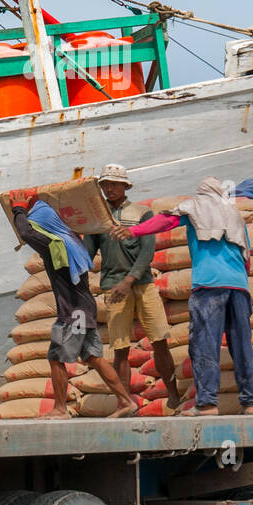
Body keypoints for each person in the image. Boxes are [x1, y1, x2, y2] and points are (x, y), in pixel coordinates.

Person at [117, 177, 253, 416]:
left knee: (205, 345)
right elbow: (248, 256)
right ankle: (252, 402)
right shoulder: (235, 215)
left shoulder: (196, 206)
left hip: (209, 286)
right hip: (239, 288)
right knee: (242, 345)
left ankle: (207, 404)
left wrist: (133, 231)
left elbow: (165, 221)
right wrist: (242, 285)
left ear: (201, 194)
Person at [7, 188, 135, 418]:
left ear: (45, 227)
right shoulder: (71, 240)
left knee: (56, 358)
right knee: (93, 358)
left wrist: (18, 209)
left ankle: (60, 409)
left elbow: (26, 233)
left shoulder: (55, 245)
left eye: (38, 226)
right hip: (84, 309)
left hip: (73, 313)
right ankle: (126, 401)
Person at [86, 164, 181, 409]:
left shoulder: (142, 214)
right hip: (113, 286)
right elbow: (88, 253)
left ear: (125, 186)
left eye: (114, 184)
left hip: (142, 285)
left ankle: (173, 394)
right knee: (120, 348)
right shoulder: (98, 218)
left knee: (159, 340)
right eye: (105, 184)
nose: (109, 189)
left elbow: (146, 252)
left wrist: (129, 281)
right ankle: (125, 402)